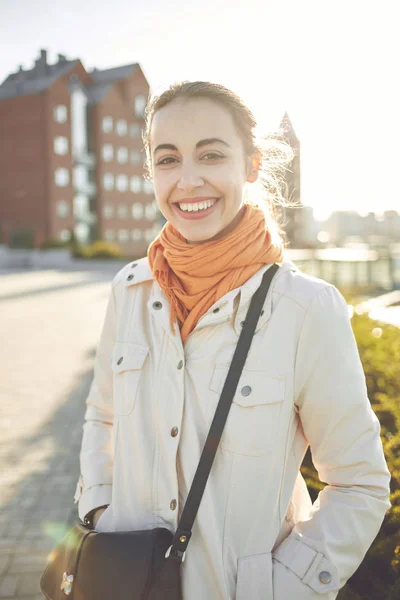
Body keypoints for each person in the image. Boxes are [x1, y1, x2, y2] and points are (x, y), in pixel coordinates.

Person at [73, 81, 391, 600]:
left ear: (252, 165)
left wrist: (284, 587)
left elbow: (359, 483)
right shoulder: (129, 291)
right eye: (168, 159)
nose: (188, 180)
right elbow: (101, 416)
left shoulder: (306, 308)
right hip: (124, 581)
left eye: (212, 155)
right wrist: (101, 508)